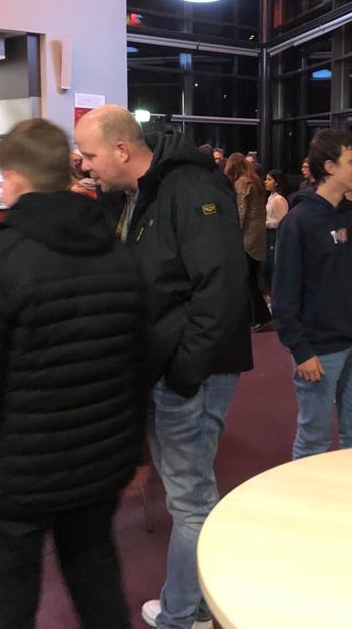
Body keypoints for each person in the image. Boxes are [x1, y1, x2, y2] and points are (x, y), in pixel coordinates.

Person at [0, 118, 148, 629]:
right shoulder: (117, 255)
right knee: (98, 583)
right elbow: (136, 365)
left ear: (17, 177)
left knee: (9, 599)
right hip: (97, 460)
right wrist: (135, 450)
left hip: (13, 472)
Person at [75, 105, 251, 629]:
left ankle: (181, 616)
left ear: (122, 150)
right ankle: (195, 605)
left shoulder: (189, 187)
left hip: (191, 371)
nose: (84, 164)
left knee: (191, 499)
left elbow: (220, 289)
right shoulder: (136, 193)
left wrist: (184, 370)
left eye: (89, 154)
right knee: (189, 495)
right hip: (170, 367)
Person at [272, 128, 352, 461]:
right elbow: (283, 296)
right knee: (314, 439)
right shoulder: (298, 221)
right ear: (329, 166)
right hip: (318, 351)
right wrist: (300, 350)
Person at [225, 153, 271, 329]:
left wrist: (234, 232)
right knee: (252, 277)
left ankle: (256, 317)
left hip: (247, 237)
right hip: (258, 236)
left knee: (246, 279)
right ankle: (260, 315)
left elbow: (241, 211)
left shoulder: (242, 183)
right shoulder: (256, 181)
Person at [262, 169, 289, 293]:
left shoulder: (279, 200)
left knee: (272, 265)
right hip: (268, 235)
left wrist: (265, 223)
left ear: (276, 182)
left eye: (269, 179)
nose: (266, 182)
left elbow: (282, 221)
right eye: (266, 179)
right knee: (266, 266)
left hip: (275, 235)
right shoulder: (271, 197)